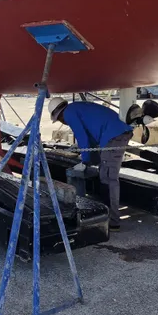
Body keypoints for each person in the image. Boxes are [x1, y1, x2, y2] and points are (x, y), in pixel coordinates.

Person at [49, 98, 133, 230]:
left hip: (114, 136)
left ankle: (113, 221)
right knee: (105, 173)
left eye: (60, 120)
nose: (63, 123)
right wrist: (88, 156)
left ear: (59, 114)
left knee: (108, 178)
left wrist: (85, 161)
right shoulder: (76, 108)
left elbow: (82, 136)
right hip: (115, 133)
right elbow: (90, 138)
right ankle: (107, 213)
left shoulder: (69, 113)